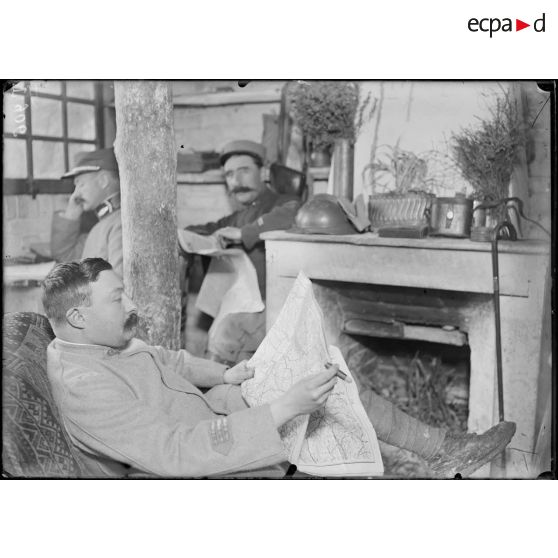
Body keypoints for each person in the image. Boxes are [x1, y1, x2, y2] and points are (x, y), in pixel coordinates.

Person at [42, 258, 516, 478]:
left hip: (215, 412)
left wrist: (224, 374)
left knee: (327, 378)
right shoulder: (84, 386)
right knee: (310, 412)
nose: (131, 304)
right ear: (78, 316)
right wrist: (281, 409)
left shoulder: (100, 340)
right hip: (196, 468)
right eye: (118, 298)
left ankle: (444, 449)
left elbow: (167, 360)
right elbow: (175, 453)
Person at [185, 140, 302, 364]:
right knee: (219, 339)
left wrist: (244, 233)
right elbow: (202, 229)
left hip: (276, 307)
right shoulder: (235, 218)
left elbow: (293, 214)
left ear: (264, 172)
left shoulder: (286, 203)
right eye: (229, 175)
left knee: (224, 334)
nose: (236, 181)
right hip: (244, 308)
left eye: (244, 171)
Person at [51, 147, 123, 276]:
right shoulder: (103, 222)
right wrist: (71, 214)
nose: (76, 194)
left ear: (103, 181)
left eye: (81, 184)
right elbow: (66, 258)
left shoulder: (120, 223)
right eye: (76, 186)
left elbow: (118, 281)